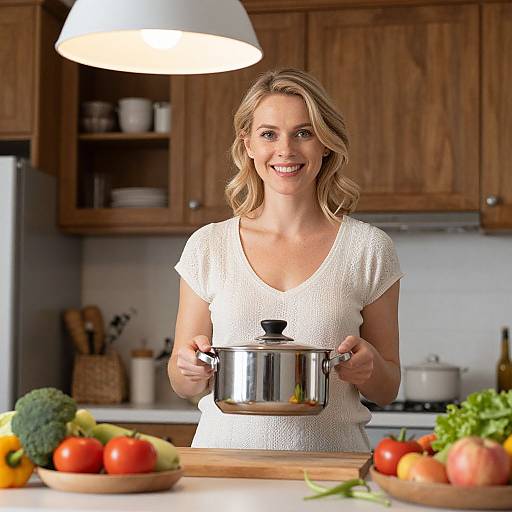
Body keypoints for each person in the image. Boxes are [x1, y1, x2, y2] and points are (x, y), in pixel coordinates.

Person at [168, 68, 403, 452]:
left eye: (304, 132)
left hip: (333, 470)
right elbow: (182, 382)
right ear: (247, 144)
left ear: (325, 144)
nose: (286, 150)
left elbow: (389, 387)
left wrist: (370, 367)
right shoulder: (208, 246)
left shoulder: (368, 248)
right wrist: (189, 368)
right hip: (224, 467)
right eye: (268, 134)